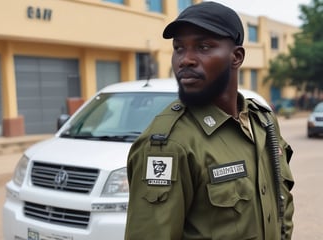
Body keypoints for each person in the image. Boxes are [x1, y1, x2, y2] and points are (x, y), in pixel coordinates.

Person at [125, 2, 294, 240]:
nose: (185, 60)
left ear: (236, 57)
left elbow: (281, 206)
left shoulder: (263, 122)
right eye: (179, 48)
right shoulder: (170, 144)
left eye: (203, 46)